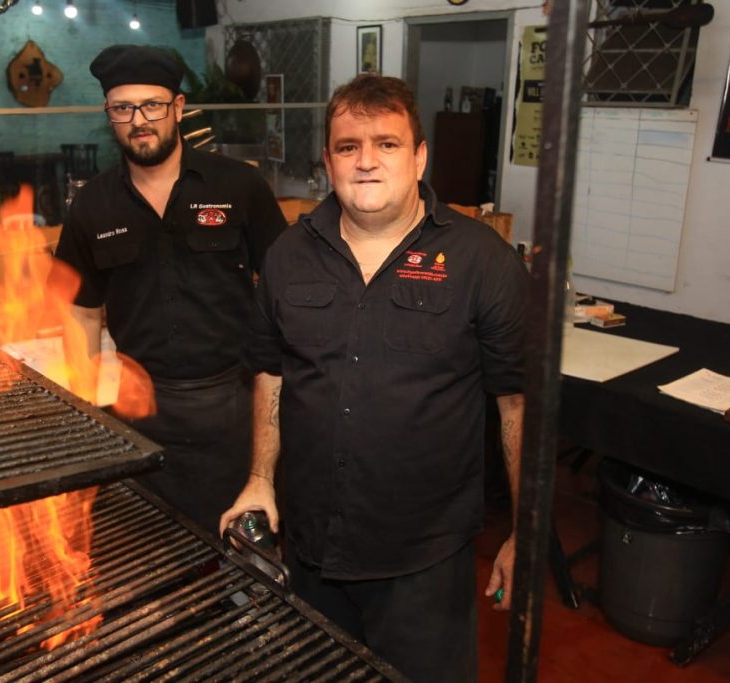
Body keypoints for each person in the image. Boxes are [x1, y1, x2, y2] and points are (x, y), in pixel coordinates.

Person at [220, 74, 528, 682]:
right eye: (347, 146)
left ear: (419, 157)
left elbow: (517, 404)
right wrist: (260, 479)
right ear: (328, 161)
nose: (365, 162)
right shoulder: (287, 255)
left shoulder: (479, 260)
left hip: (424, 560)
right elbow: (271, 373)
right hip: (310, 546)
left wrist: (528, 529)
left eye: (386, 144)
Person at [54, 44, 287, 534]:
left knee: (246, 555)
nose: (139, 120)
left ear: (178, 107)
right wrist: (86, 411)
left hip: (234, 405)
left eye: (152, 105)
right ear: (109, 115)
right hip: (139, 409)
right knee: (157, 547)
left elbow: (284, 287)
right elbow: (80, 313)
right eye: (123, 108)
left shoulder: (239, 186)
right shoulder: (91, 205)